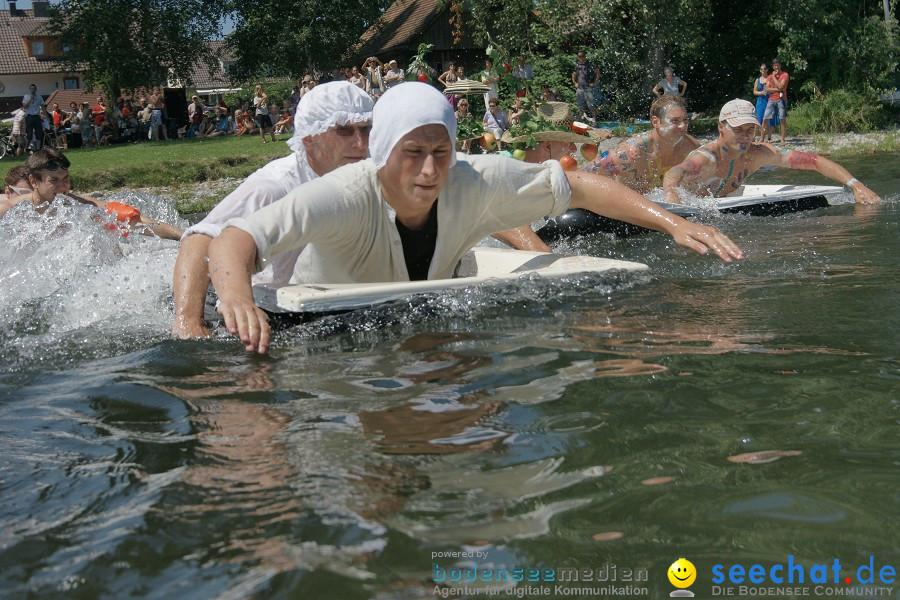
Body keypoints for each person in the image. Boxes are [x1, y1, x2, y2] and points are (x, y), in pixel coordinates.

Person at [206, 83, 743, 354]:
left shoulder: (471, 177)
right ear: (384, 152)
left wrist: (672, 222)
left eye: (441, 152)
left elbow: (577, 184)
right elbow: (235, 237)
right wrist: (235, 298)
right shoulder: (341, 194)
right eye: (412, 153)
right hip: (334, 332)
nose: (428, 170)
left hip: (431, 321)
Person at [172, 82, 375, 338]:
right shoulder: (273, 186)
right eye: (344, 130)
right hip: (261, 303)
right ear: (309, 138)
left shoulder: (369, 170)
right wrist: (189, 323)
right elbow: (199, 240)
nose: (360, 143)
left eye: (366, 129)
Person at [663, 99, 881, 205]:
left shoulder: (759, 153)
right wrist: (672, 195)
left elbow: (813, 160)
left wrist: (855, 185)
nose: (745, 135)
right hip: (689, 205)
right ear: (721, 128)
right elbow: (673, 173)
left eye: (750, 130)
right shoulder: (707, 158)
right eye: (738, 129)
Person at [1, 148, 184, 240]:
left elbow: (134, 220)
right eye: (53, 181)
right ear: (34, 182)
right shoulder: (10, 210)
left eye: (66, 179)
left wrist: (185, 236)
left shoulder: (76, 204)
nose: (62, 187)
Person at [583, 96, 699, 193]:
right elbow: (580, 177)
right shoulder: (629, 152)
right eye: (675, 120)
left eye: (685, 120)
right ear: (656, 122)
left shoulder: (691, 148)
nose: (683, 126)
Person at [762, 58, 789, 144]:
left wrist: (774, 78)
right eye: (774, 65)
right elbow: (767, 88)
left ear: (780, 66)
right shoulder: (769, 76)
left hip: (781, 99)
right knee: (765, 118)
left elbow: (781, 86)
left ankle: (782, 140)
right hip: (771, 99)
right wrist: (776, 89)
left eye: (778, 65)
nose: (776, 67)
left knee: (782, 118)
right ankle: (762, 138)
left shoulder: (784, 75)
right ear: (773, 67)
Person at [752, 63, 778, 142]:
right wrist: (761, 93)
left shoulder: (771, 78)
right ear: (760, 70)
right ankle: (754, 136)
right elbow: (754, 91)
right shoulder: (758, 80)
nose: (763, 70)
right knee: (758, 119)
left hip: (770, 100)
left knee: (770, 118)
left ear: (767, 69)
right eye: (761, 69)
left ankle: (769, 137)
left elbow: (776, 89)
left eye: (764, 69)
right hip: (761, 101)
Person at [572, 51, 599, 124]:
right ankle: (581, 119)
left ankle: (594, 120)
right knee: (580, 105)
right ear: (578, 57)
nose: (581, 58)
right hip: (580, 88)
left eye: (582, 56)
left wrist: (595, 83)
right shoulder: (577, 66)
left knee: (591, 105)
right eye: (579, 56)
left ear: (585, 56)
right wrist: (575, 83)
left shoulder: (590, 65)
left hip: (588, 88)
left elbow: (597, 73)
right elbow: (573, 75)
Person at [22, 83, 44, 151]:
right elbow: (24, 107)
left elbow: (43, 106)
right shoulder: (26, 96)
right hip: (29, 116)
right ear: (29, 89)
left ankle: (38, 148)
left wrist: (45, 115)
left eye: (34, 88)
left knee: (39, 133)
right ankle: (26, 148)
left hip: (37, 116)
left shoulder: (39, 97)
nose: (33, 89)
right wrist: (30, 99)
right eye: (31, 88)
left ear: (36, 89)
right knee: (29, 133)